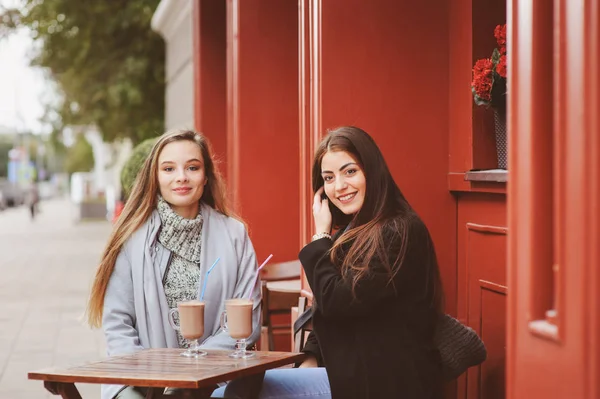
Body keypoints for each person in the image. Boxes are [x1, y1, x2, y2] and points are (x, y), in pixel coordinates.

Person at [222, 126, 445, 399]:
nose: (339, 186)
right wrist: (311, 356)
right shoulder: (355, 232)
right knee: (238, 387)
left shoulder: (399, 229)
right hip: (349, 374)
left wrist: (320, 237)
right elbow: (331, 311)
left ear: (372, 171)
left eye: (350, 171)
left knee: (236, 393)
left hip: (384, 381)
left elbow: (339, 302)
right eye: (329, 177)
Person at [86, 129, 262, 399]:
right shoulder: (131, 239)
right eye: (169, 169)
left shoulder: (235, 234)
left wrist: (192, 371)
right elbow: (118, 324)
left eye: (192, 167)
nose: (181, 177)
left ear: (206, 177)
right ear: (155, 178)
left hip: (217, 379)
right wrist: (153, 377)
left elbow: (244, 322)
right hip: (141, 379)